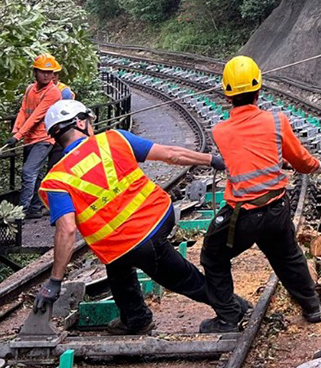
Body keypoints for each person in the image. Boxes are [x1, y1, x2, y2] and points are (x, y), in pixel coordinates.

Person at [34, 100, 231, 334]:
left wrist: (55, 282)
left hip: (131, 242)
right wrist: (210, 159)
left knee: (181, 279)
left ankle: (234, 310)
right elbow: (170, 154)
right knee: (117, 266)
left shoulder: (56, 180)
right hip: (158, 220)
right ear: (79, 122)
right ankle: (135, 317)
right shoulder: (113, 139)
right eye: (88, 121)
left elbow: (66, 230)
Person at [199, 55, 321, 333]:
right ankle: (312, 307)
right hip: (277, 208)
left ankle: (228, 316)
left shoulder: (220, 131)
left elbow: (243, 155)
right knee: (288, 255)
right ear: (259, 90)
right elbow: (302, 161)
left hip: (241, 216)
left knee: (213, 257)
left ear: (227, 94)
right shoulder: (277, 122)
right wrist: (315, 165)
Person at [7, 54, 63, 219]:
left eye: (49, 72)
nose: (46, 75)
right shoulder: (30, 89)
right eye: (42, 71)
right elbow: (24, 111)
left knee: (28, 171)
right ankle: (35, 208)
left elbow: (36, 116)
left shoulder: (53, 92)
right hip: (29, 139)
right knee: (36, 174)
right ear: (35, 72)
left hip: (44, 139)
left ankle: (21, 213)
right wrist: (15, 131)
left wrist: (17, 136)